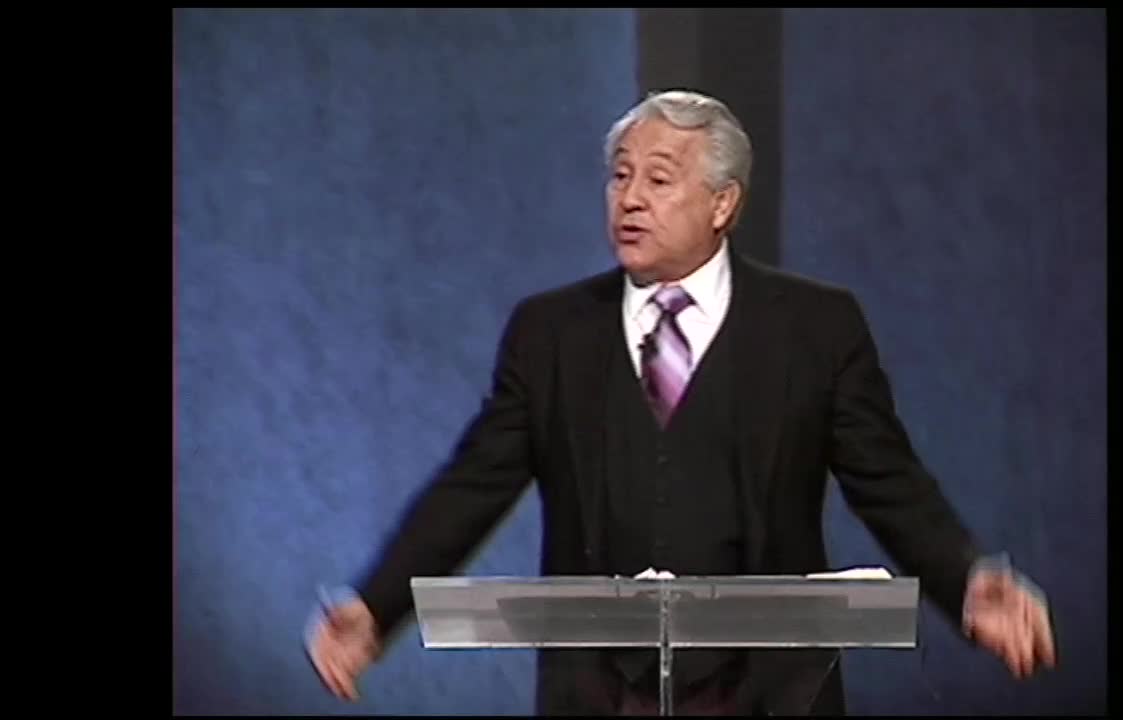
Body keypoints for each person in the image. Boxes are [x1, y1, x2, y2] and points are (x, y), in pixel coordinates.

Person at [306, 89, 1056, 715]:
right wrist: (378, 605)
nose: (630, 198)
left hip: (772, 689)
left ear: (723, 202)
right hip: (597, 690)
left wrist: (965, 580)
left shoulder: (815, 328)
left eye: (658, 179)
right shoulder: (551, 332)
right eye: (619, 175)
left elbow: (888, 481)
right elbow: (474, 484)